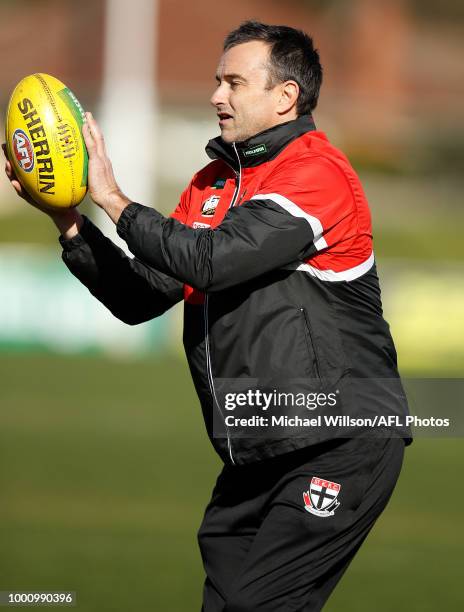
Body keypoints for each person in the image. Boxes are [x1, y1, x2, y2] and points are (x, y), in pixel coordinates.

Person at [4, 20, 411, 612]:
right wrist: (67, 221)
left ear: (285, 96)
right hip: (253, 452)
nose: (217, 95)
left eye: (234, 82)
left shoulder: (316, 174)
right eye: (217, 80)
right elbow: (144, 296)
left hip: (337, 441)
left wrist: (113, 197)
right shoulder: (211, 183)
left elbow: (214, 260)